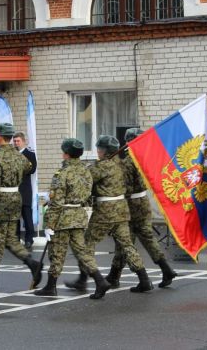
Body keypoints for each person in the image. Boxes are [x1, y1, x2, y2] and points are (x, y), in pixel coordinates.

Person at [65, 135, 153, 294]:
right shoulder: (123, 165)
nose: (97, 152)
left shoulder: (99, 167)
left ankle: (84, 279)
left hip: (105, 211)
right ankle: (144, 279)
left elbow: (85, 183)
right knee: (127, 245)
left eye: (99, 149)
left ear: (103, 151)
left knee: (86, 244)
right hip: (122, 209)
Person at [34, 138, 110, 299]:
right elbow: (88, 196)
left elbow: (57, 202)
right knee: (82, 252)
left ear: (66, 154)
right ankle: (99, 280)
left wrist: (49, 224)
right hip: (79, 216)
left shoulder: (61, 174)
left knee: (57, 252)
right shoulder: (86, 171)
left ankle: (50, 285)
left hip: (63, 218)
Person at [106, 128, 177, 289]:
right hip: (143, 201)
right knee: (147, 238)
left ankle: (126, 277)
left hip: (131, 205)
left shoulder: (128, 162)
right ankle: (166, 269)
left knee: (125, 241)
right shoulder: (147, 159)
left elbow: (121, 187)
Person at [0, 123, 42, 288]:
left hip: (2, 199)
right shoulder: (19, 156)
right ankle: (30, 263)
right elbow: (28, 167)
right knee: (10, 237)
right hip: (15, 197)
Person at [13, 132, 37, 249]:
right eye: (15, 141)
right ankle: (16, 239)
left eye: (18, 141)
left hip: (25, 189)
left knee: (27, 215)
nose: (16, 143)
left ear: (23, 141)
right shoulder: (12, 154)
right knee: (15, 216)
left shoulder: (30, 154)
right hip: (13, 189)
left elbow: (32, 169)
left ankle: (29, 239)